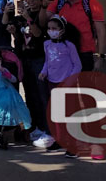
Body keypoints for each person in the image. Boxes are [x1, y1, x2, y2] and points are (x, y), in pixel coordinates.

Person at [5, 0, 51, 143]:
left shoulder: (42, 15)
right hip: (23, 60)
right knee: (30, 95)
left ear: (40, 1)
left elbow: (38, 33)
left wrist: (28, 18)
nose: (30, 1)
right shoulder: (21, 17)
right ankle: (36, 126)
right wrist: (11, 26)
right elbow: (6, 24)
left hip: (39, 59)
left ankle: (48, 129)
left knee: (42, 95)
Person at [34, 15, 82, 151]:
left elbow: (77, 65)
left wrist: (70, 80)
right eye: (49, 29)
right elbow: (47, 62)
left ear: (62, 30)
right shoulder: (47, 44)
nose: (51, 31)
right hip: (52, 82)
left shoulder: (69, 46)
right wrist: (44, 72)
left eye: (54, 28)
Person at [41, 0, 106, 72]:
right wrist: (44, 6)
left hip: (84, 53)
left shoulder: (90, 3)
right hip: (62, 53)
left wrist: (101, 57)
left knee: (84, 85)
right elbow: (43, 23)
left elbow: (101, 32)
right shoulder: (57, 2)